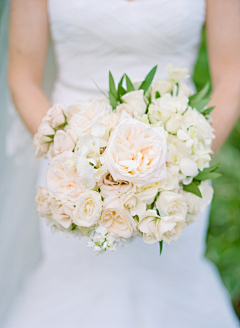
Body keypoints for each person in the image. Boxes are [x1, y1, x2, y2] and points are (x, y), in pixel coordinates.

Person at [3, 0, 240, 327]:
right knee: (76, 288)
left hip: (177, 169)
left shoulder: (179, 171)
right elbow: (22, 77)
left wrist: (180, 166)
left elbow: (232, 77)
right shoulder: (70, 161)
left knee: (168, 286)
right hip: (71, 167)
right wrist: (73, 157)